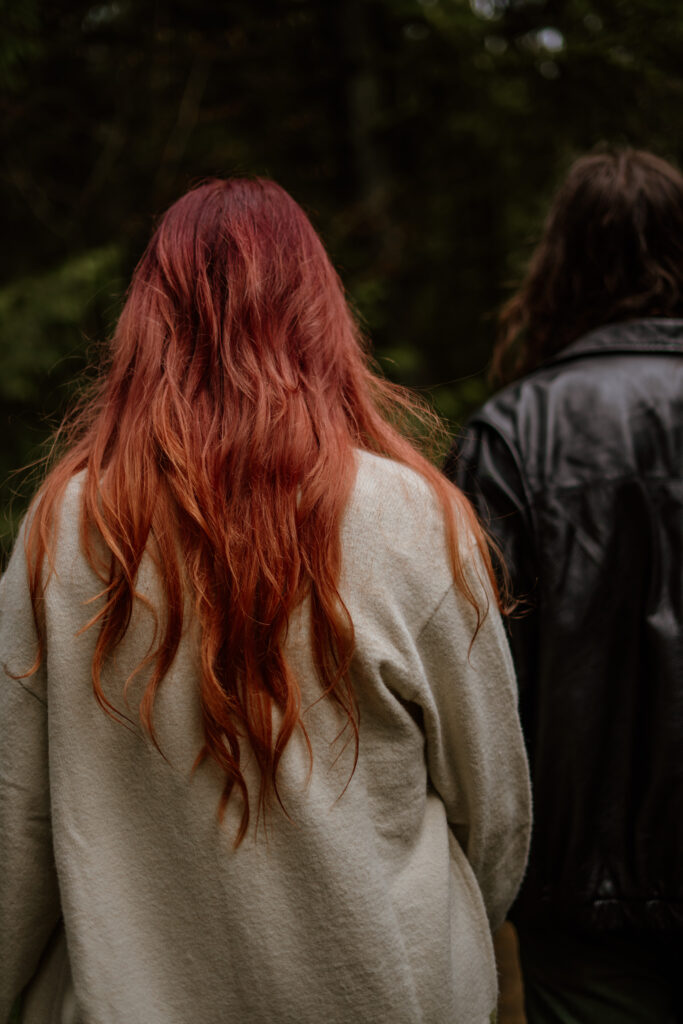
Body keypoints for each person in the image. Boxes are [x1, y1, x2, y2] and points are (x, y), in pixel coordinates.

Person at [0, 178, 531, 1024]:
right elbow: (494, 812)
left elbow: (15, 819)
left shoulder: (67, 527)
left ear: (148, 323)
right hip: (384, 993)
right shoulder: (413, 519)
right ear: (322, 319)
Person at [446, 148, 683, 1022]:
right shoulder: (506, 434)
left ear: (559, 263)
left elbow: (476, 682)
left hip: (581, 905)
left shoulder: (510, 434)